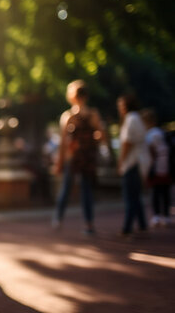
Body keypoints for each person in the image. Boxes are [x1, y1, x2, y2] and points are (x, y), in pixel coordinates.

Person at [52, 80, 107, 235]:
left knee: (66, 189)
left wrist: (59, 162)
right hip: (88, 157)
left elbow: (63, 142)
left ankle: (58, 218)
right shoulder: (93, 114)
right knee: (86, 190)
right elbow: (102, 135)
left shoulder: (68, 116)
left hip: (74, 157)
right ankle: (89, 224)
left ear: (72, 97)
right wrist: (90, 140)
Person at [117, 94, 149, 237]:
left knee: (130, 197)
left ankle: (127, 228)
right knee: (136, 196)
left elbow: (127, 143)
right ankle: (142, 225)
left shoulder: (131, 119)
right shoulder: (136, 118)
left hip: (132, 163)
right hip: (137, 161)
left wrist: (121, 161)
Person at [141, 109, 171, 227]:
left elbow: (151, 151)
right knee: (165, 192)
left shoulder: (149, 135)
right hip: (166, 166)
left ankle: (157, 215)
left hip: (155, 167)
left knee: (156, 192)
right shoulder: (161, 132)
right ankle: (166, 215)